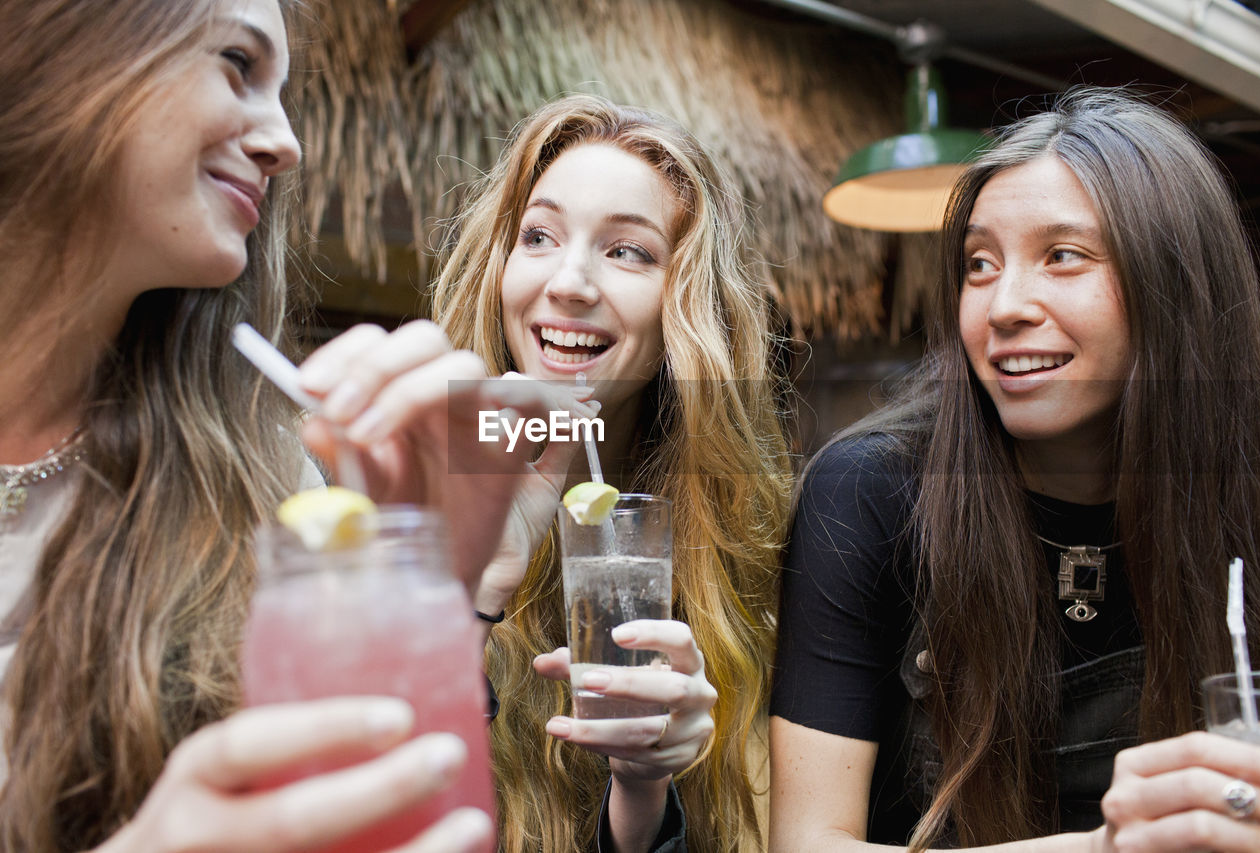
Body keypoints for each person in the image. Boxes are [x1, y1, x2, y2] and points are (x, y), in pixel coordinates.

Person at [0, 1, 581, 850]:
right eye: (237, 63)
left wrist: (439, 591)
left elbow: (387, 817)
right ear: (54, 45)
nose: (288, 141)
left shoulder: (265, 477)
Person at [770, 86, 1260, 853]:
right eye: (979, 263)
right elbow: (804, 843)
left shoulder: (1258, 487)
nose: (1004, 304)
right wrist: (1112, 846)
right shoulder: (869, 491)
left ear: (1172, 283)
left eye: (1062, 256)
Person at [432, 94, 793, 853]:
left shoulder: (747, 554)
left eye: (627, 250)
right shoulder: (399, 500)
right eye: (539, 235)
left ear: (686, 306)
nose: (569, 281)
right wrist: (473, 593)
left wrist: (643, 787)